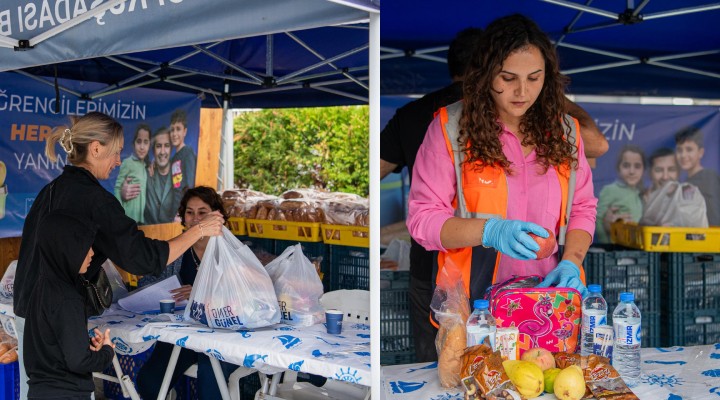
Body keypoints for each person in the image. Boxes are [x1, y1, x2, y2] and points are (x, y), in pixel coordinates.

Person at [381, 27, 608, 362]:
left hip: (550, 303)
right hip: (474, 311)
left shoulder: (566, 132)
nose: (522, 91)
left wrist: (572, 261)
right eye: (508, 78)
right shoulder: (450, 127)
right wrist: (489, 231)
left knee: (545, 383)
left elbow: (583, 207)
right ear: (485, 74)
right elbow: (423, 220)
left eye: (534, 78)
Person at [14, 112, 225, 399]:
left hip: (29, 314)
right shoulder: (95, 200)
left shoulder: (49, 190)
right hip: (59, 321)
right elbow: (143, 258)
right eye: (116, 152)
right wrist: (198, 230)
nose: (117, 161)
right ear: (96, 149)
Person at [136, 186, 238, 400]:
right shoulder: (178, 249)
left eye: (203, 212)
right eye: (190, 212)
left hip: (224, 336)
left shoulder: (231, 252)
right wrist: (158, 290)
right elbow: (146, 283)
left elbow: (245, 298)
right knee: (148, 383)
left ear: (217, 216)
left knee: (211, 377)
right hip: (183, 334)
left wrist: (202, 294)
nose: (196, 218)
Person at [24, 211, 116, 399]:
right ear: (67, 249)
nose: (92, 253)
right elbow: (79, 362)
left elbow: (53, 344)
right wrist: (107, 352)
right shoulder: (68, 298)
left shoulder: (42, 286)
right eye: (85, 247)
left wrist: (86, 346)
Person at [595, 145, 645, 243]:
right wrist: (606, 244)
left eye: (637, 166)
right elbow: (598, 220)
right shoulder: (610, 190)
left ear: (643, 169)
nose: (632, 171)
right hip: (613, 248)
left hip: (632, 247)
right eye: (626, 166)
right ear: (618, 168)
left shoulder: (639, 193)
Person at [675, 126, 720, 226]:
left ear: (700, 153)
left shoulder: (709, 178)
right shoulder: (684, 183)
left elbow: (715, 219)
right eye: (679, 150)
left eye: (689, 149)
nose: (683, 155)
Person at [114, 123, 151, 223]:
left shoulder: (146, 166)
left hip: (142, 220)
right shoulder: (127, 162)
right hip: (128, 218)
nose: (142, 147)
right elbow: (118, 188)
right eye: (139, 141)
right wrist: (119, 215)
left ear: (149, 145)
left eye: (146, 142)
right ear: (133, 144)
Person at [145, 127, 179, 224]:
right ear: (153, 150)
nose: (163, 151)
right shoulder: (146, 174)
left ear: (171, 149)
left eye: (167, 146)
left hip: (174, 230)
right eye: (158, 146)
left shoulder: (180, 171)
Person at [169, 109, 197, 198]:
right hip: (174, 204)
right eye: (172, 130)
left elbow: (190, 184)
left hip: (183, 203)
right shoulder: (173, 158)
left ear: (184, 131)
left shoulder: (188, 152)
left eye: (178, 129)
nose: (174, 134)